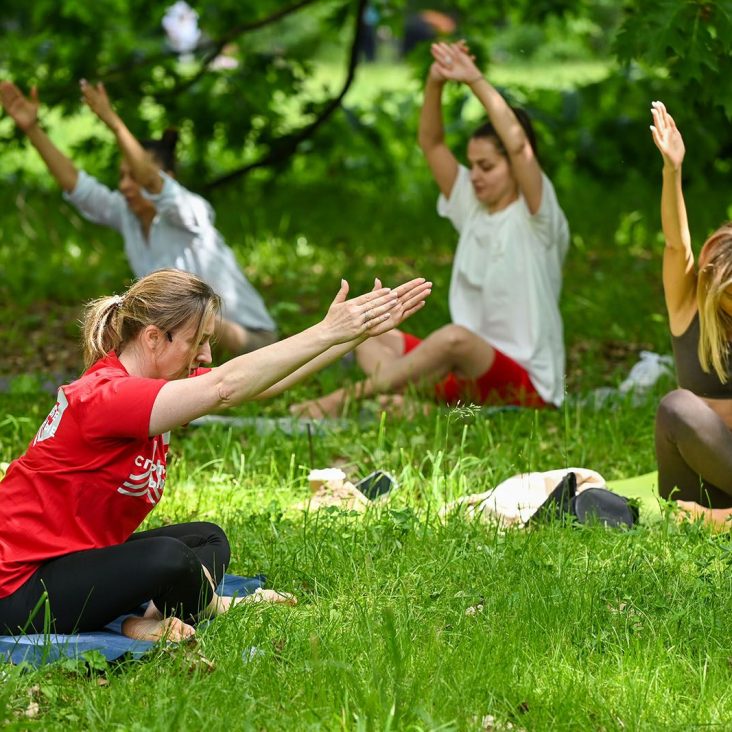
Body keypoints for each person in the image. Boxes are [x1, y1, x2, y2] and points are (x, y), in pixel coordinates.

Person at [0, 269, 431, 640]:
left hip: (69, 562)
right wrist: (326, 330)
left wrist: (353, 333)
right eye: (197, 341)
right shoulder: (110, 396)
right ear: (153, 337)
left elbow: (262, 382)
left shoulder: (150, 388)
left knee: (206, 538)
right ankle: (185, 610)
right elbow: (225, 385)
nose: (206, 355)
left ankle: (153, 618)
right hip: (15, 592)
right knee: (168, 559)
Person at [292, 41, 569, 418]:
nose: (476, 177)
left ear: (513, 168)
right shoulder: (471, 205)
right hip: (461, 373)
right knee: (369, 334)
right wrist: (435, 82)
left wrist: (474, 80)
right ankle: (414, 405)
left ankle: (342, 401)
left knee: (455, 338)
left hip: (524, 385)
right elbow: (432, 142)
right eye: (472, 166)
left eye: (486, 166)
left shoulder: (538, 216)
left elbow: (519, 147)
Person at [0, 79, 276, 354]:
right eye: (121, 176)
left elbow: (152, 182)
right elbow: (77, 186)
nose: (125, 185)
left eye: (133, 176)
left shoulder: (190, 210)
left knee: (172, 315)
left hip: (252, 343)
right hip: (186, 339)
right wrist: (32, 129)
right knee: (145, 319)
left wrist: (113, 122)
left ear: (167, 178)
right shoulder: (126, 213)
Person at [650, 101, 732, 529]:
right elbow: (675, 244)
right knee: (676, 405)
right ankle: (709, 515)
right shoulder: (689, 304)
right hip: (696, 479)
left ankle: (712, 521)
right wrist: (672, 171)